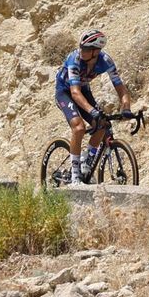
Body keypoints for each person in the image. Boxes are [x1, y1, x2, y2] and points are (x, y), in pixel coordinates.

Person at [57, 28, 131, 182]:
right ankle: (75, 174)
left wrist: (126, 107)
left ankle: (87, 160)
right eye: (82, 47)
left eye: (86, 49)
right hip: (65, 92)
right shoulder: (74, 59)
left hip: (83, 90)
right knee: (79, 127)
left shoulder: (106, 61)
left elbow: (120, 87)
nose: (81, 50)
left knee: (102, 124)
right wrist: (92, 111)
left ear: (96, 52)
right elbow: (75, 93)